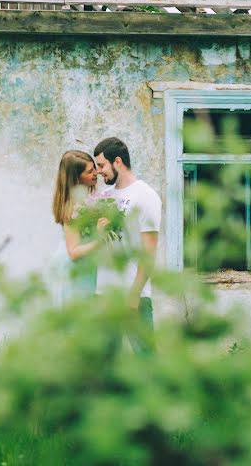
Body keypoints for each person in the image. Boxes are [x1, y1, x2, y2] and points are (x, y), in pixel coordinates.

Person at [93, 137, 161, 353]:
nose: (99, 172)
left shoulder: (146, 196)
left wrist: (134, 294)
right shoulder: (106, 197)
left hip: (133, 294)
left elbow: (149, 251)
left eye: (102, 165)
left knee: (145, 358)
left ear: (118, 162)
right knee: (104, 361)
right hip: (105, 292)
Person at [51, 150, 108, 302]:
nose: (96, 173)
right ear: (76, 178)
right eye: (90, 171)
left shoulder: (87, 201)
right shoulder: (73, 208)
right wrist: (100, 240)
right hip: (73, 269)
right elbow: (74, 252)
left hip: (84, 266)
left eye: (95, 168)